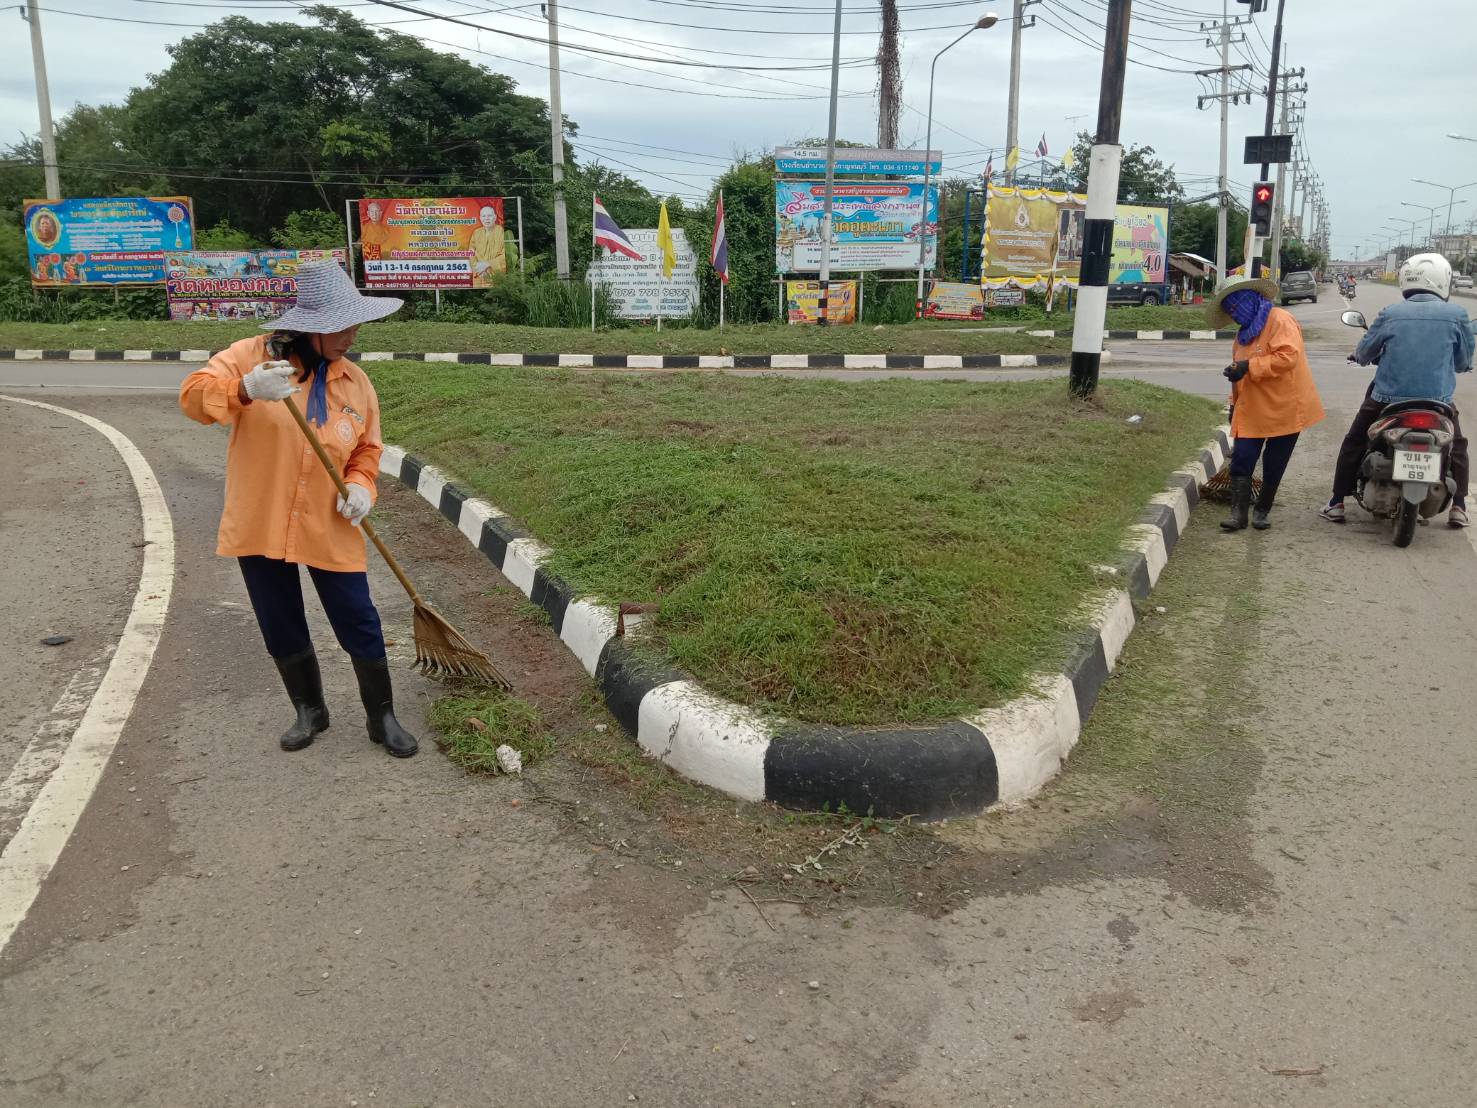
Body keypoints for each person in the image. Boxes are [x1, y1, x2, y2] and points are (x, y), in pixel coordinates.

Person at [179, 261, 419, 758]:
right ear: (309, 325)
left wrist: (360, 486)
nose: (351, 335)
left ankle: (382, 717)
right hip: (262, 517)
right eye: (340, 325)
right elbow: (192, 398)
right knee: (279, 618)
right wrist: (245, 389)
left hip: (328, 519)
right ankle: (310, 710)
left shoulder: (356, 383)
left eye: (355, 323)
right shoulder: (253, 358)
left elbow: (367, 450)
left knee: (358, 616)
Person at [1321, 253, 1475, 527]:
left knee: (1355, 440)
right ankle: (1459, 507)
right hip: (1437, 403)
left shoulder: (1391, 313)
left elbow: (1365, 353)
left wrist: (1359, 356)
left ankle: (1336, 503)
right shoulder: (1457, 315)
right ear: (1444, 280)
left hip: (1387, 400)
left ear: (1405, 279)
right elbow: (1463, 363)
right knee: (1457, 446)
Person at [1208, 274, 1326, 531]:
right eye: (1230, 311)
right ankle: (1238, 515)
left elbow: (1288, 357)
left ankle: (1262, 510)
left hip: (1285, 406)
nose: (1235, 314)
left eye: (1236, 306)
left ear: (1249, 298)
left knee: (1275, 462)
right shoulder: (1242, 336)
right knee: (1242, 458)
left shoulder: (1280, 320)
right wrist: (1233, 401)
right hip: (1252, 407)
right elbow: (1239, 371)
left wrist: (1249, 366)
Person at [469, 204, 507, 287]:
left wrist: (488, 264)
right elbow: (471, 252)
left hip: (496, 275)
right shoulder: (476, 233)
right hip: (480, 275)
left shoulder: (501, 232)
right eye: (484, 216)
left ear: (495, 217)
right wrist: (479, 269)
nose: (486, 218)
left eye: (489, 215)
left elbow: (505, 255)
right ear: (480, 218)